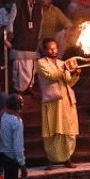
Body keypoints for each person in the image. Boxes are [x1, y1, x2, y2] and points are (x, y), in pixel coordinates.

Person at [35, 39, 80, 167]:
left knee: (69, 131)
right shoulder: (41, 63)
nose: (53, 51)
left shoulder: (62, 63)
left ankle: (67, 158)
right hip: (52, 102)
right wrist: (64, 69)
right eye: (50, 49)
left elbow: (69, 82)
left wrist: (76, 74)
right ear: (44, 50)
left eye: (55, 48)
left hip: (67, 101)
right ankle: (52, 160)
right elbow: (52, 76)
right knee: (53, 131)